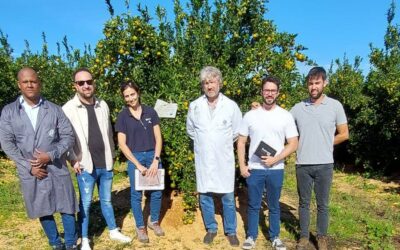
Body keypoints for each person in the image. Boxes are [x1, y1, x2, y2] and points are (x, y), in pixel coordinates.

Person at [0, 67, 78, 249]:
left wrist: (51, 154)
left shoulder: (54, 109)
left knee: (67, 206)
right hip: (32, 171)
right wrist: (29, 166)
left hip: (57, 167)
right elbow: (7, 143)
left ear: (39, 83)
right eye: (25, 81)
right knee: (42, 208)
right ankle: (55, 243)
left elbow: (68, 136)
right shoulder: (10, 112)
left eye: (33, 81)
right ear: (19, 84)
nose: (30, 85)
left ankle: (71, 244)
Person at [62, 68, 132, 250]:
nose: (86, 85)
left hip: (105, 162)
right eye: (81, 83)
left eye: (89, 81)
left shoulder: (103, 105)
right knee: (85, 203)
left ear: (93, 83)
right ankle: (84, 239)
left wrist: (113, 154)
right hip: (84, 165)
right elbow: (63, 138)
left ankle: (113, 230)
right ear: (75, 86)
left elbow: (108, 132)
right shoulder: (68, 109)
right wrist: (72, 159)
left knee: (107, 200)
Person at [290, 67, 349, 250]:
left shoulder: (335, 106)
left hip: (324, 164)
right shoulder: (298, 108)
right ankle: (304, 237)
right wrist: (261, 108)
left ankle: (322, 237)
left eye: (317, 83)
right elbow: (279, 122)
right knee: (304, 203)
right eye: (310, 83)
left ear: (324, 83)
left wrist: (326, 142)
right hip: (303, 164)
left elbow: (344, 134)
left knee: (323, 204)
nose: (313, 86)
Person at [237, 76, 298, 250]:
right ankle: (251, 236)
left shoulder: (285, 116)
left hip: (276, 168)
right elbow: (241, 142)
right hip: (255, 168)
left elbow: (294, 143)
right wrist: (242, 165)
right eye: (266, 90)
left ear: (278, 93)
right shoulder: (250, 115)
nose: (269, 93)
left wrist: (275, 159)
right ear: (261, 92)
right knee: (254, 205)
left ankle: (275, 237)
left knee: (273, 205)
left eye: (273, 90)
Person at [186, 66, 242, 246]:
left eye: (212, 81)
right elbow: (191, 131)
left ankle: (231, 231)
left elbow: (236, 132)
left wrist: (217, 142)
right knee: (205, 196)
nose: (209, 86)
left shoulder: (231, 106)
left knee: (227, 196)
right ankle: (211, 228)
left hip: (223, 160)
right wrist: (207, 143)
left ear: (220, 82)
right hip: (203, 160)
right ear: (202, 85)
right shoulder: (195, 106)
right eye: (206, 83)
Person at [115, 81, 164, 243]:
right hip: (135, 157)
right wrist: (137, 164)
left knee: (156, 191)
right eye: (126, 96)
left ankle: (154, 221)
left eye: (132, 94)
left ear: (138, 93)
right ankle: (140, 226)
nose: (130, 98)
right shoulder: (123, 116)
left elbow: (158, 137)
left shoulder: (151, 112)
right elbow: (122, 144)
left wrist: (156, 160)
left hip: (152, 155)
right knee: (136, 195)